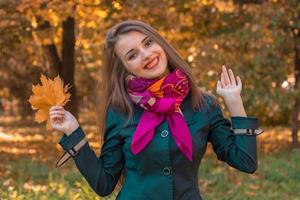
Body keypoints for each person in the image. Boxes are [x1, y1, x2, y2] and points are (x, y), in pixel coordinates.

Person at [49, 20, 263, 200]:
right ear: (124, 68)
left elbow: (246, 162)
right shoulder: (121, 110)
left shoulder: (203, 104)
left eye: (148, 43)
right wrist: (73, 132)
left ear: (161, 43)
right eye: (132, 55)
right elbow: (104, 184)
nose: (146, 55)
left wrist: (234, 101)